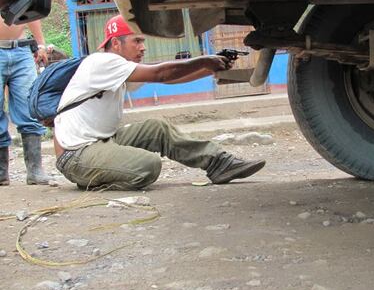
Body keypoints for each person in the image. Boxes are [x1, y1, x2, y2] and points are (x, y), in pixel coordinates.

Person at [53, 14, 265, 190]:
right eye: (137, 41)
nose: (143, 47)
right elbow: (161, 74)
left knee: (157, 129)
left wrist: (209, 68)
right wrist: (204, 60)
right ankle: (96, 180)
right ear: (116, 43)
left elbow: (170, 79)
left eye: (143, 41)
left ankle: (219, 163)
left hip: (100, 142)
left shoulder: (118, 68)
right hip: (75, 155)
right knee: (147, 166)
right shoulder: (103, 62)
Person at [0, 16, 53, 185]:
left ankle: (35, 170)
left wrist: (41, 44)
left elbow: (31, 12)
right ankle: (1, 172)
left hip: (21, 50)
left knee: (29, 108)